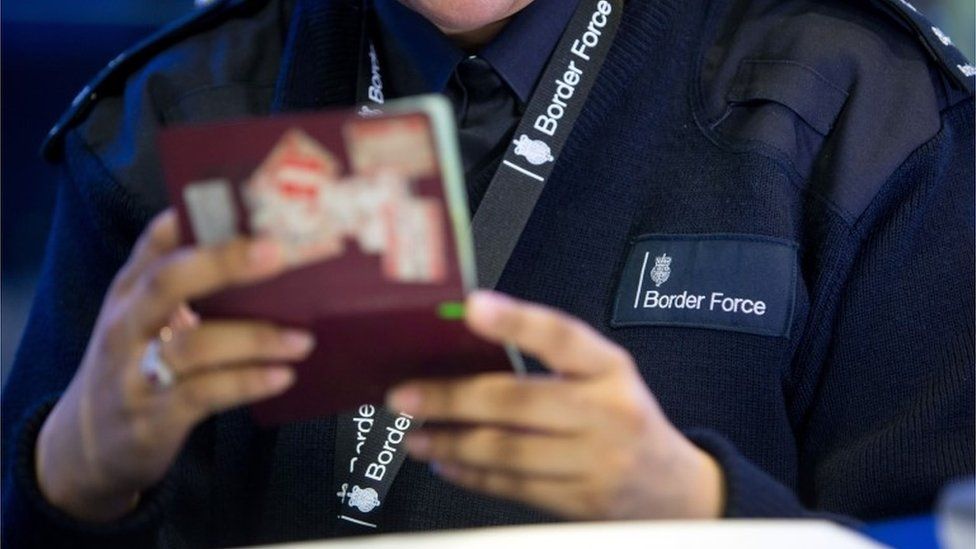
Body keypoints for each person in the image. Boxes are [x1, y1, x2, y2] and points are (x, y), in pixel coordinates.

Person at [2, 0, 974, 546]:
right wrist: (72, 481)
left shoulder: (863, 107)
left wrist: (703, 514)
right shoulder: (161, 120)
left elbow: (938, 527)